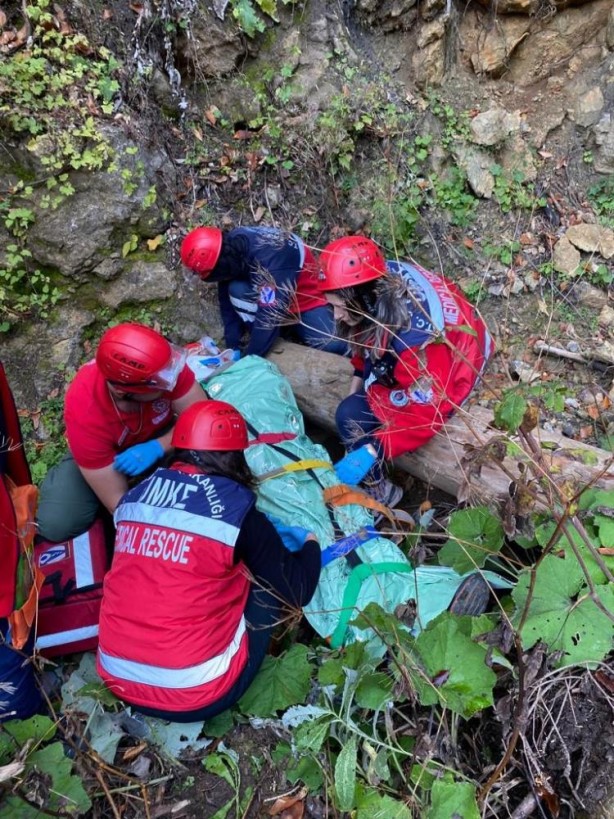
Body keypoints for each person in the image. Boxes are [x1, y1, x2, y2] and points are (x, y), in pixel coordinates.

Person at [96, 400, 321, 722]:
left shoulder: (135, 496)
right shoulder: (235, 511)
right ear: (236, 456)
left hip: (117, 675)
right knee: (260, 580)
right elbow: (296, 589)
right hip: (194, 692)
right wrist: (311, 545)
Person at [317, 235, 494, 506]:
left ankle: (385, 495)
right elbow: (365, 338)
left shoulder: (417, 345)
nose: (336, 315)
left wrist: (373, 449)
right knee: (350, 411)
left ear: (363, 300)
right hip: (435, 351)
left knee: (353, 416)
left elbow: (428, 413)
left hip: (458, 363)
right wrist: (357, 379)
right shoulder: (378, 282)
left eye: (339, 307)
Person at [37, 323, 207, 543]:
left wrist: (160, 445)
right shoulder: (85, 406)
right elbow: (117, 502)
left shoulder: (163, 367)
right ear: (123, 391)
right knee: (58, 523)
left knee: (210, 452)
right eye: (160, 384)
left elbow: (199, 418)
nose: (171, 383)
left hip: (160, 433)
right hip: (105, 457)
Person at [180, 225, 347, 358]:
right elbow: (225, 298)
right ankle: (276, 334)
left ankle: (281, 336)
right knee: (235, 289)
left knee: (332, 343)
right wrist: (233, 347)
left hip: (306, 302)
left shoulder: (271, 263)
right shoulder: (230, 247)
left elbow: (268, 317)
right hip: (275, 293)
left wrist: (251, 359)